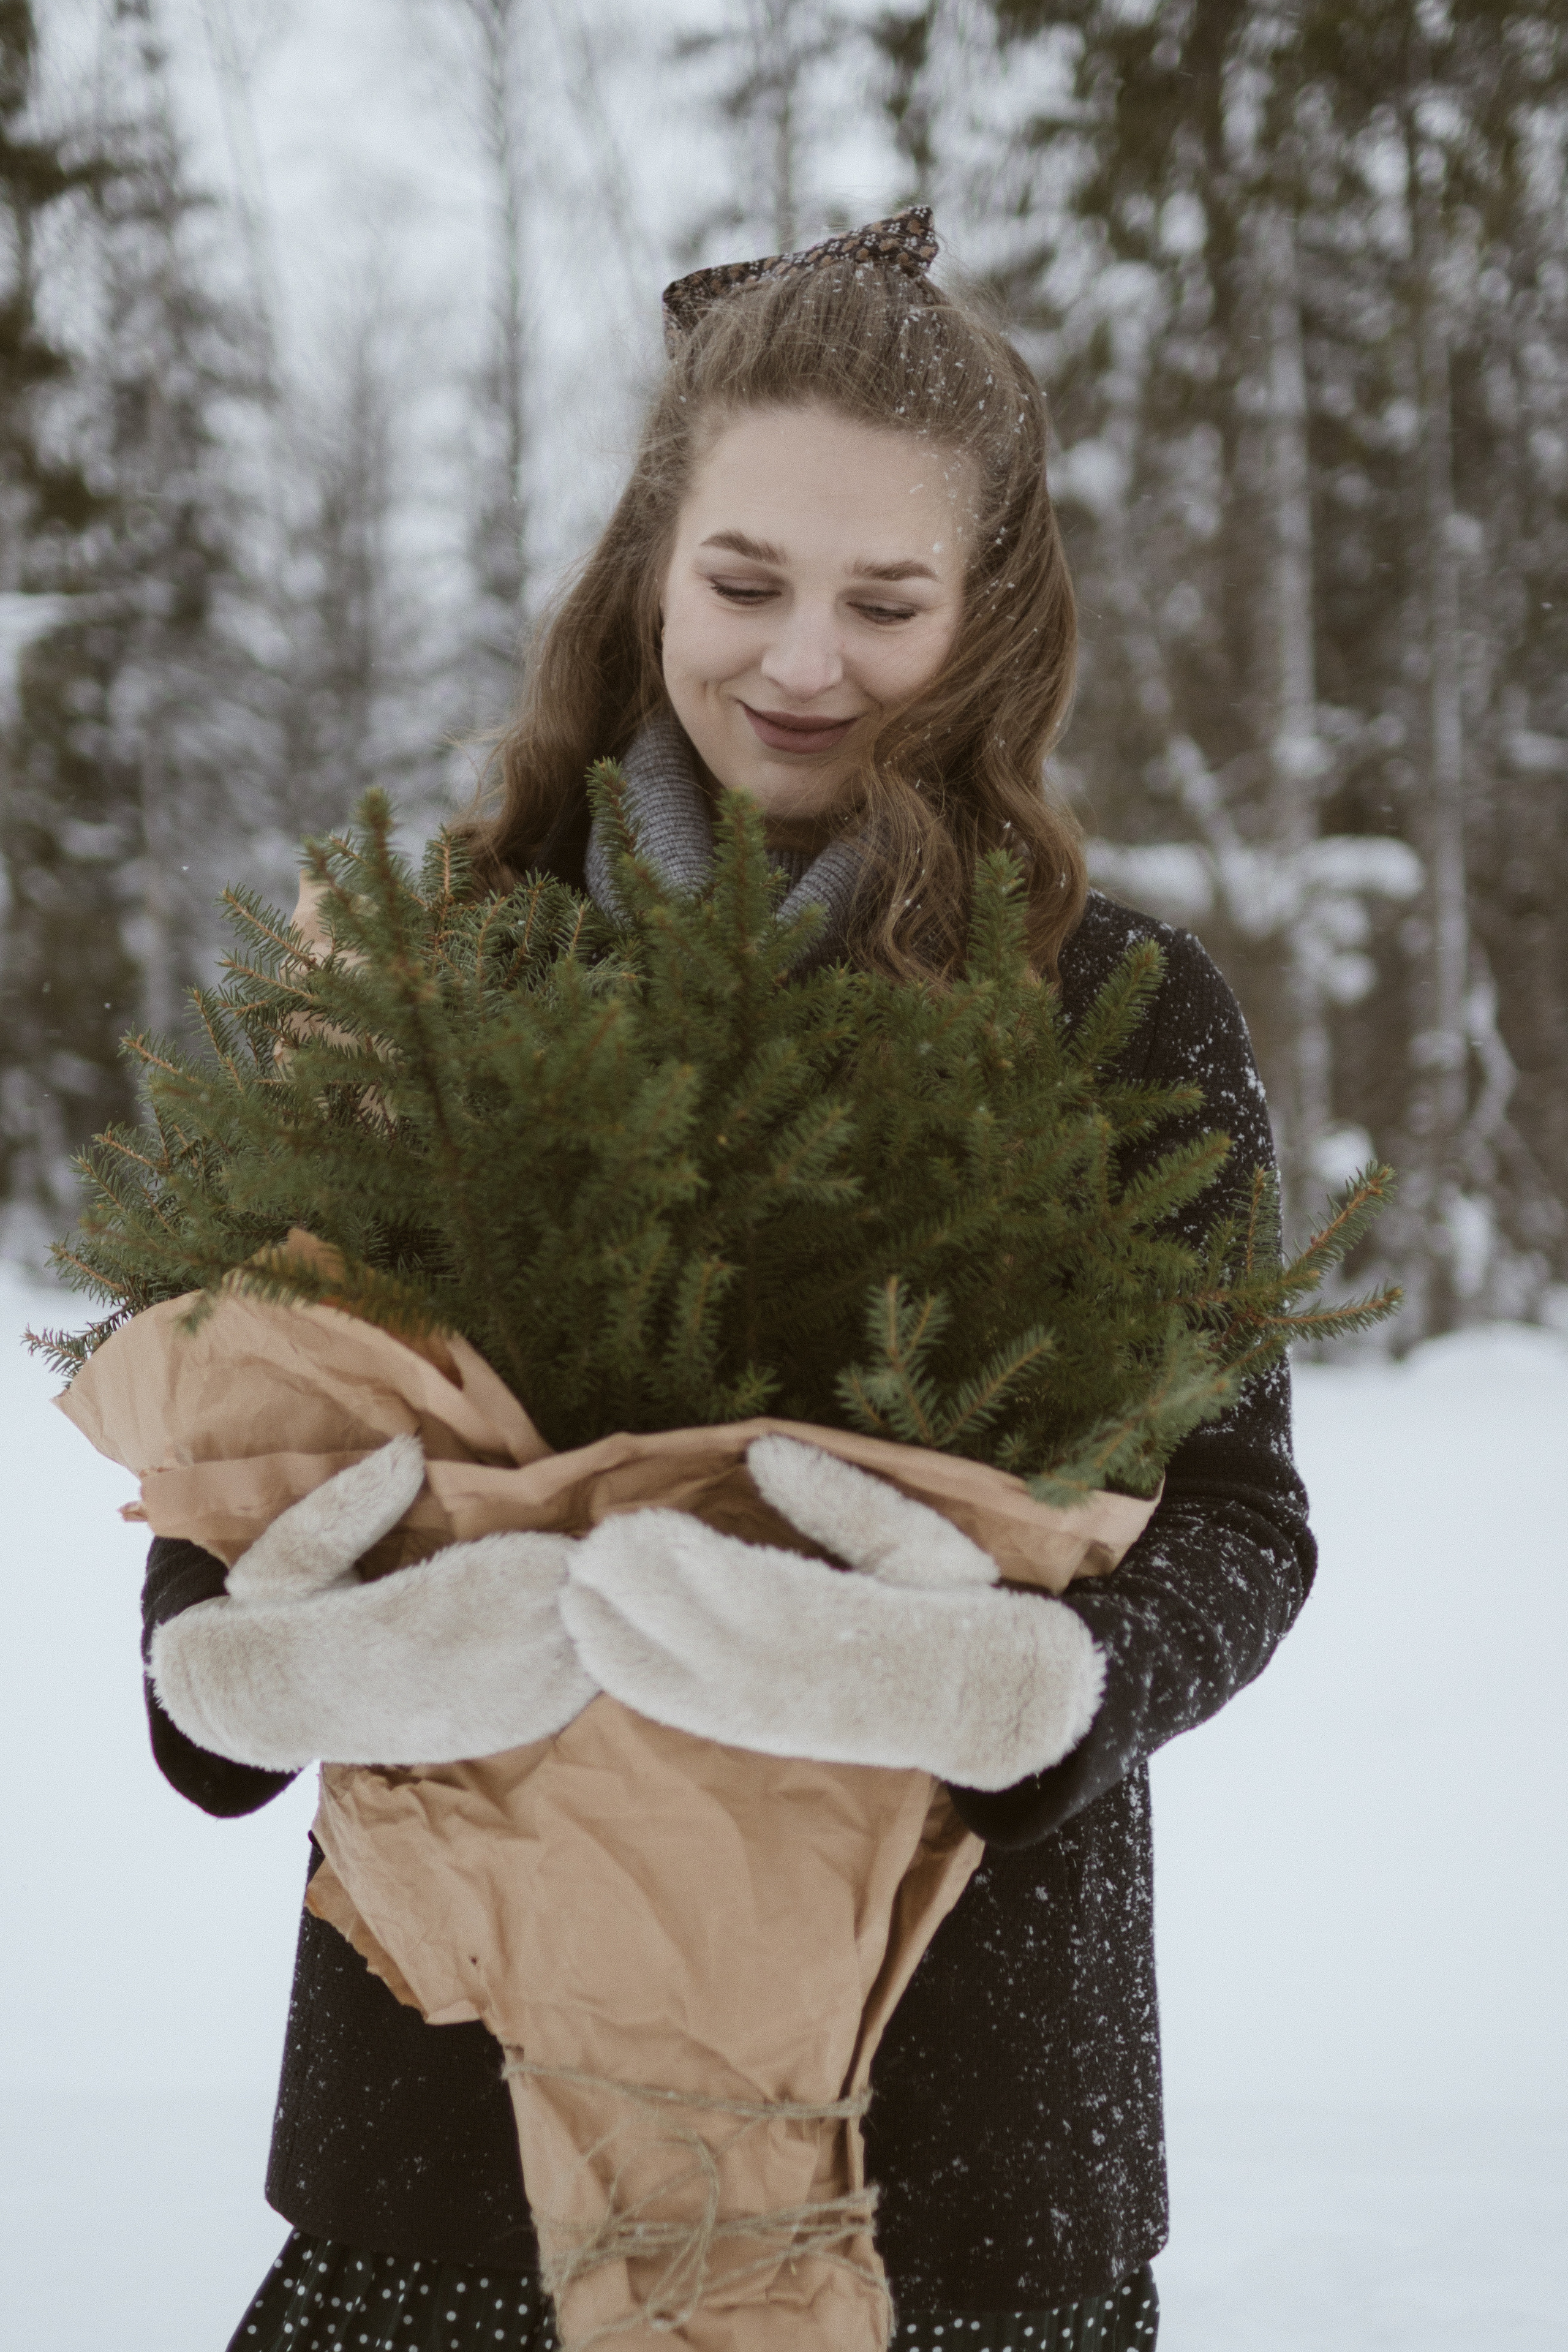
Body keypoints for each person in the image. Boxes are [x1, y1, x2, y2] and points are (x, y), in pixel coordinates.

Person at [141, 211, 1314, 2352]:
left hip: (951, 2156)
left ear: (990, 614)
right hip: (460, 2138)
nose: (803, 664)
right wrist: (270, 1670)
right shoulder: (440, 971)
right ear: (651, 570)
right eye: (745, 583)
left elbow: (1238, 1518)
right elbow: (247, 1460)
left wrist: (1021, 1687)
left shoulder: (1116, 1015)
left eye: (886, 602)